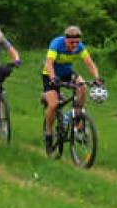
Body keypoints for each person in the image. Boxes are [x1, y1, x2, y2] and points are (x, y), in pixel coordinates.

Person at [41, 25, 103, 154]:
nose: (74, 45)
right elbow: (49, 63)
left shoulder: (80, 47)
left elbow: (90, 63)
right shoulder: (56, 44)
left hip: (67, 73)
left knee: (82, 86)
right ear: (65, 39)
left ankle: (77, 115)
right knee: (54, 104)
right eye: (71, 42)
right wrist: (53, 78)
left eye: (77, 42)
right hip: (50, 75)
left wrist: (97, 78)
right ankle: (48, 133)